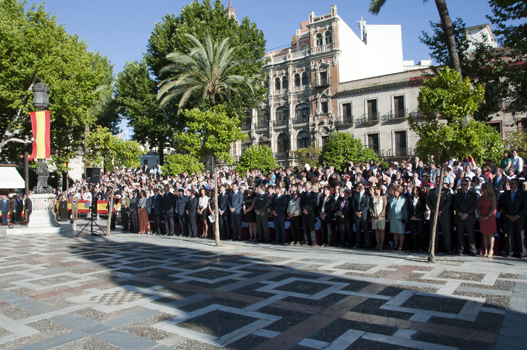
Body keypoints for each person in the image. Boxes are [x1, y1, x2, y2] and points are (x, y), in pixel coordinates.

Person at [500, 179, 527, 258]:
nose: (510, 185)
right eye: (510, 184)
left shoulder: (523, 194)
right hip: (508, 218)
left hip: (519, 218)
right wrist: (508, 215)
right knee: (509, 235)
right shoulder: (505, 194)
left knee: (520, 235)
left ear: (517, 185)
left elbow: (525, 206)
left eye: (512, 184)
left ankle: (522, 252)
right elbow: (502, 206)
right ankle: (510, 251)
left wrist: (517, 215)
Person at [427, 178, 453, 254]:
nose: (438, 182)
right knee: (434, 231)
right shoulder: (432, 191)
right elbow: (428, 201)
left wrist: (440, 210)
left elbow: (448, 202)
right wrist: (433, 210)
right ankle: (433, 248)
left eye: (439, 181)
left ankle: (448, 248)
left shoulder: (447, 191)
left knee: (446, 232)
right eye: (437, 181)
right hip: (434, 213)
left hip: (443, 214)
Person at [453, 179, 478, 256]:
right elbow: (455, 205)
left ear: (468, 185)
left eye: (465, 185)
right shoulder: (458, 195)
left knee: (471, 234)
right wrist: (460, 213)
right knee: (460, 234)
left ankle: (472, 250)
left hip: (469, 217)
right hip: (460, 217)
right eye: (462, 185)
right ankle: (460, 249)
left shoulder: (473, 194)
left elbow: (474, 205)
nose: (463, 186)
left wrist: (466, 214)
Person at [478, 183, 497, 258]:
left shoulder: (492, 197)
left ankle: (491, 250)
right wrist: (480, 215)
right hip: (482, 216)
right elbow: (478, 207)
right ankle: (485, 249)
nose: (483, 188)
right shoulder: (481, 197)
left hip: (490, 216)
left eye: (485, 187)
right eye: (482, 187)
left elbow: (493, 207)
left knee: (490, 234)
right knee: (484, 234)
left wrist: (488, 216)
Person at [407, 186, 426, 252]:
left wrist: (417, 216)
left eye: (416, 190)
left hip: (419, 218)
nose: (415, 192)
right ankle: (414, 247)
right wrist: (412, 216)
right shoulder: (410, 198)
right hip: (412, 218)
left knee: (420, 233)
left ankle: (421, 247)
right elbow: (408, 208)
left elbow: (422, 209)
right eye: (414, 190)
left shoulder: (422, 199)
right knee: (413, 233)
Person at [353, 183, 370, 249]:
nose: (359, 187)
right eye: (358, 186)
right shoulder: (356, 195)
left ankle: (367, 243)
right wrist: (356, 212)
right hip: (357, 213)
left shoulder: (366, 195)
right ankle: (358, 243)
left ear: (363, 186)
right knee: (357, 230)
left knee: (365, 229)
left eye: (360, 186)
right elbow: (353, 204)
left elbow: (367, 205)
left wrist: (361, 212)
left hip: (364, 214)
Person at [301, 181, 318, 246]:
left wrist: (308, 210)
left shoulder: (314, 194)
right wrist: (303, 209)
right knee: (305, 227)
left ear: (310, 186)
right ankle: (306, 241)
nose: (305, 187)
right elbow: (301, 203)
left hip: (311, 213)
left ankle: (313, 241)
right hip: (304, 213)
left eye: (306, 185)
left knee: (311, 227)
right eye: (305, 186)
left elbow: (314, 203)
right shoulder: (303, 194)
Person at [371, 185, 387, 251]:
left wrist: (381, 214)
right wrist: (373, 214)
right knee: (376, 230)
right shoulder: (373, 197)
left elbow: (384, 207)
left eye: (377, 189)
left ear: (380, 190)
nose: (376, 190)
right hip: (375, 215)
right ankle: (377, 244)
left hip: (381, 216)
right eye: (376, 189)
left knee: (381, 230)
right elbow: (371, 207)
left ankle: (381, 244)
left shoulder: (383, 197)